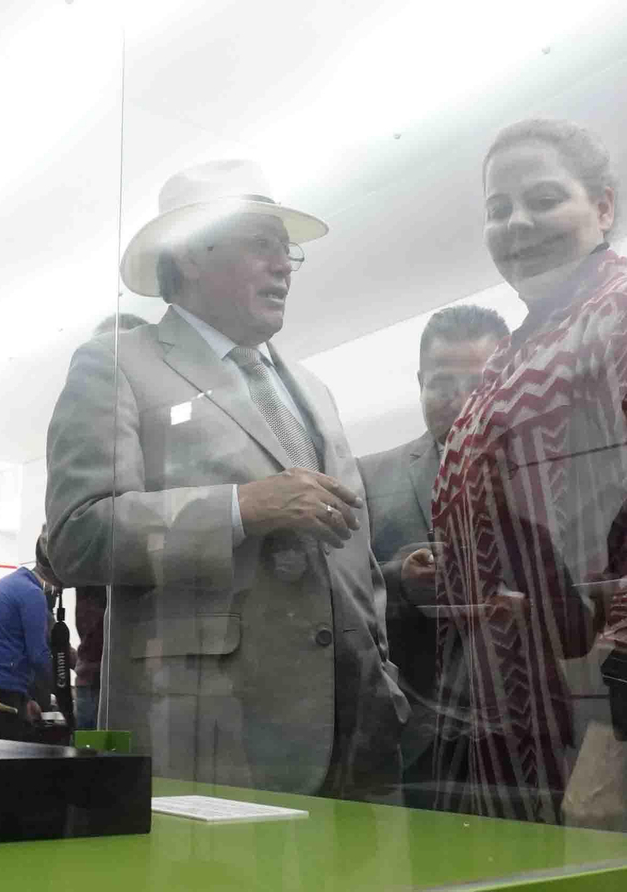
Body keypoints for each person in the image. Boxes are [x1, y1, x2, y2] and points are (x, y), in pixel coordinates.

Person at [45, 159, 408, 799]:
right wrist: (243, 508)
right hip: (217, 739)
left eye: (285, 249)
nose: (283, 265)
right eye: (259, 245)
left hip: (360, 738)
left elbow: (356, 555)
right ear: (186, 257)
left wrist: (383, 675)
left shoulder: (315, 391)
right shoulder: (116, 364)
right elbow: (79, 535)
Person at [431, 119, 627, 827]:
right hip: (512, 713)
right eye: (498, 209)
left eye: (543, 198)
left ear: (602, 207)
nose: (518, 223)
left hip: (611, 716)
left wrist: (614, 723)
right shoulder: (507, 358)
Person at [357, 304, 506, 808]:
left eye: (479, 383)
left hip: (527, 728)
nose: (461, 401)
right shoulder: (368, 479)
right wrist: (400, 581)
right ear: (419, 381)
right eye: (443, 384)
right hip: (414, 738)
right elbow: (340, 595)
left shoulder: (549, 472)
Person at [70, 312, 150, 732]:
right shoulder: (81, 464)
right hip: (97, 669)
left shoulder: (169, 450)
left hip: (162, 667)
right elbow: (56, 561)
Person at [0, 535, 59, 743]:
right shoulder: (32, 593)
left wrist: (26, 698)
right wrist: (62, 696)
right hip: (5, 694)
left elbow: (7, 645)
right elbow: (39, 656)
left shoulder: (10, 583)